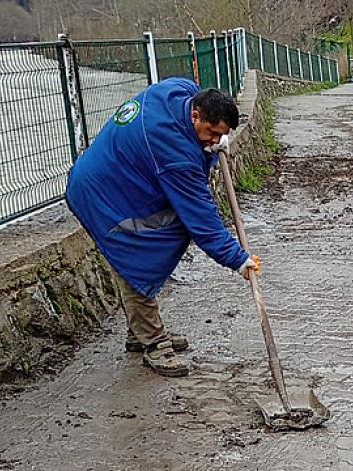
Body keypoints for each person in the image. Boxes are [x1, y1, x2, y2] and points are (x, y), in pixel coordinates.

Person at [66, 78, 261, 378]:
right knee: (135, 259)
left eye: (221, 136)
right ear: (195, 115)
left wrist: (212, 143)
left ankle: (138, 334)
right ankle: (154, 344)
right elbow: (201, 219)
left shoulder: (179, 90)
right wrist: (238, 259)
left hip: (117, 179)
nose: (214, 140)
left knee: (150, 248)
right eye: (211, 133)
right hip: (102, 196)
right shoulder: (174, 153)